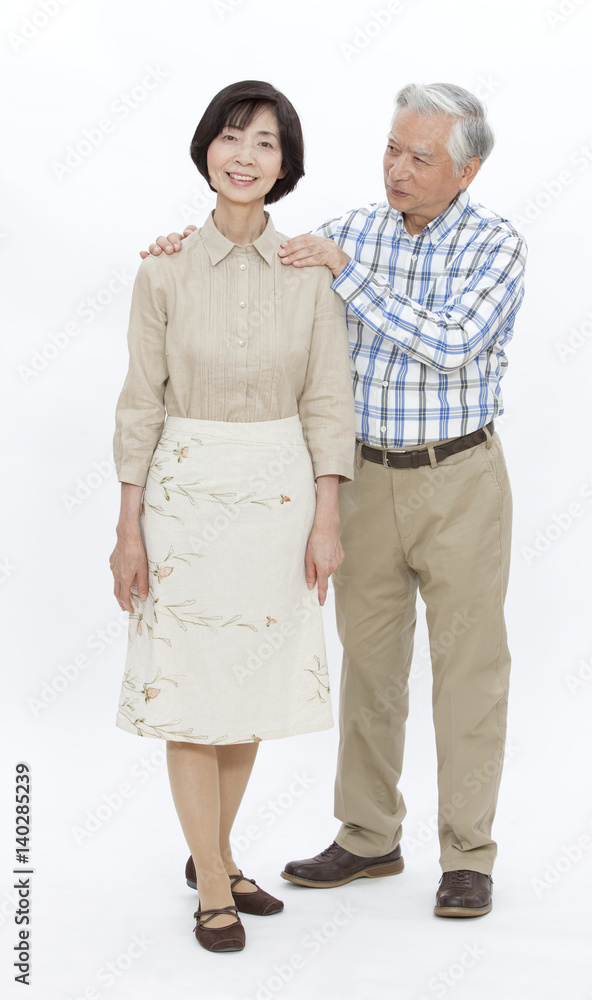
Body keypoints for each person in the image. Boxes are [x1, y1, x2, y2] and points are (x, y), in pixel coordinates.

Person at [145, 81, 526, 918]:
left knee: (468, 671)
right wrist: (182, 248)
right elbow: (256, 255)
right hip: (361, 479)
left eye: (419, 156)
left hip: (459, 479)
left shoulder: (494, 246)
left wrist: (347, 278)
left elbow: (452, 344)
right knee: (369, 667)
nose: (397, 168)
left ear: (465, 172)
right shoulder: (349, 232)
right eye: (391, 147)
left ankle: (466, 854)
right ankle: (368, 835)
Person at [110, 79, 355, 953]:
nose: (243, 156)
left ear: (285, 166)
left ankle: (210, 854)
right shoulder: (163, 268)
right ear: (205, 148)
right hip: (181, 498)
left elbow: (327, 400)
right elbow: (140, 403)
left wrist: (327, 517)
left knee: (247, 690)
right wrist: (126, 527)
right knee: (187, 692)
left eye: (265, 142)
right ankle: (213, 881)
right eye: (230, 135)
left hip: (278, 500)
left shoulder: (309, 275)